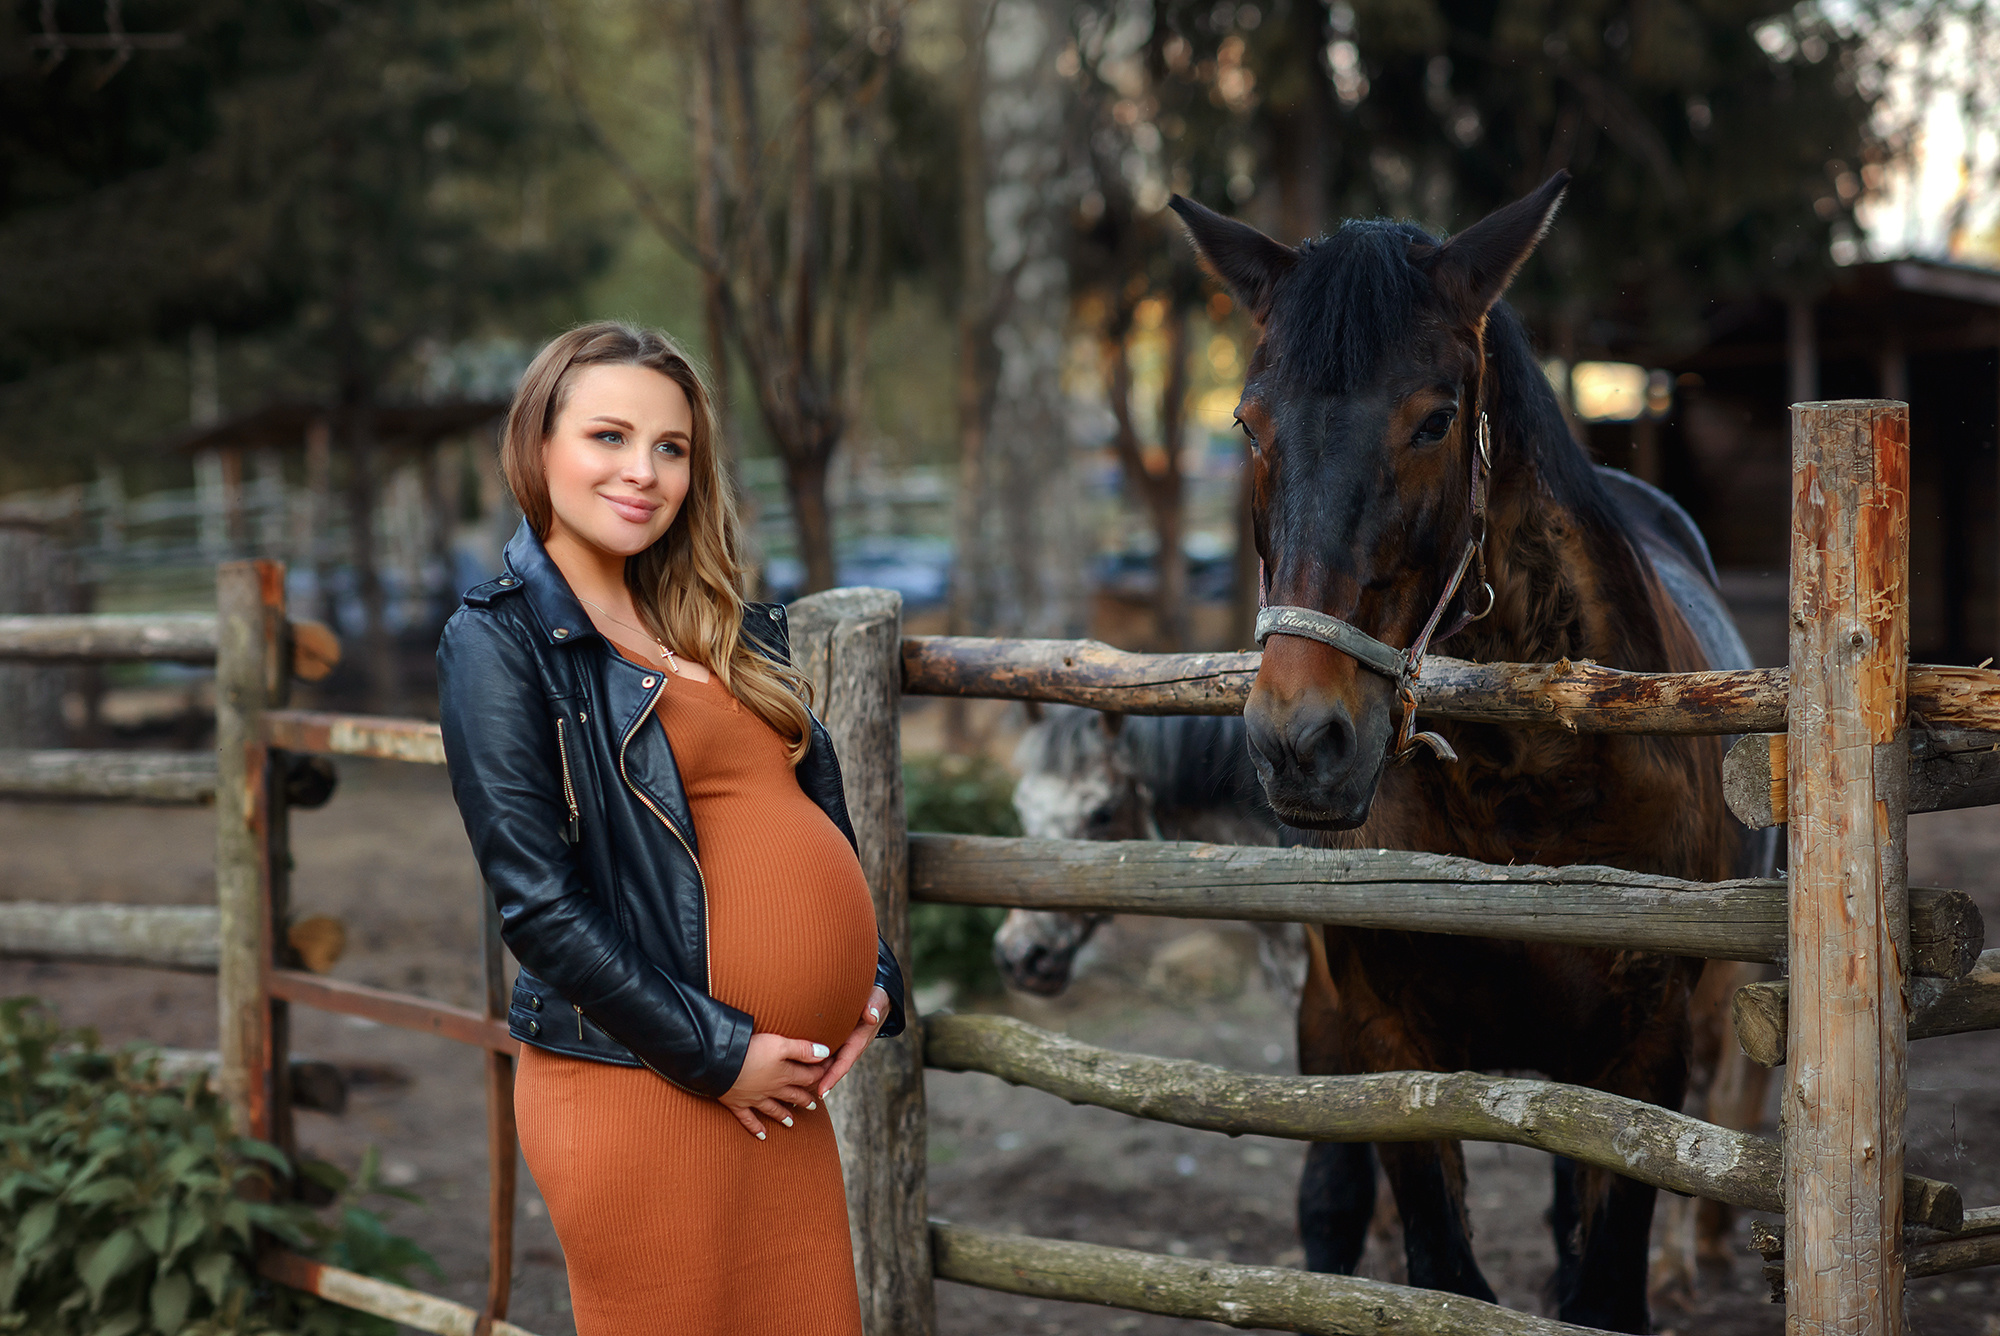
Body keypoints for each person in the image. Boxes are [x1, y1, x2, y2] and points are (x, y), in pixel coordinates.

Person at [437, 321, 905, 1335]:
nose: (642, 472)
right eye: (608, 436)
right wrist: (715, 1049)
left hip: (773, 1093)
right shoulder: (499, 638)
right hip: (644, 1083)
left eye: (670, 446)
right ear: (537, 446)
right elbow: (537, 904)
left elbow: (799, 811)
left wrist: (870, 972)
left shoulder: (718, 621)